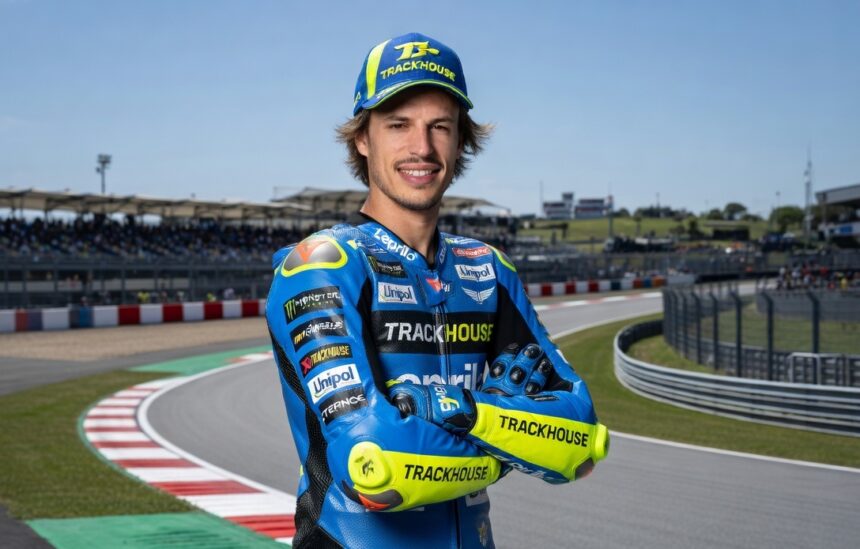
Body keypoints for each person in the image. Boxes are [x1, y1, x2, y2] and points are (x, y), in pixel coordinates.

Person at [265, 32, 607, 549]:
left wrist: (459, 409)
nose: (421, 148)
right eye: (398, 124)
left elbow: (580, 441)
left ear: (461, 140)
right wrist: (510, 440)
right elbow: (374, 465)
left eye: (440, 126)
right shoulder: (321, 266)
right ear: (363, 139)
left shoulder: (488, 270)